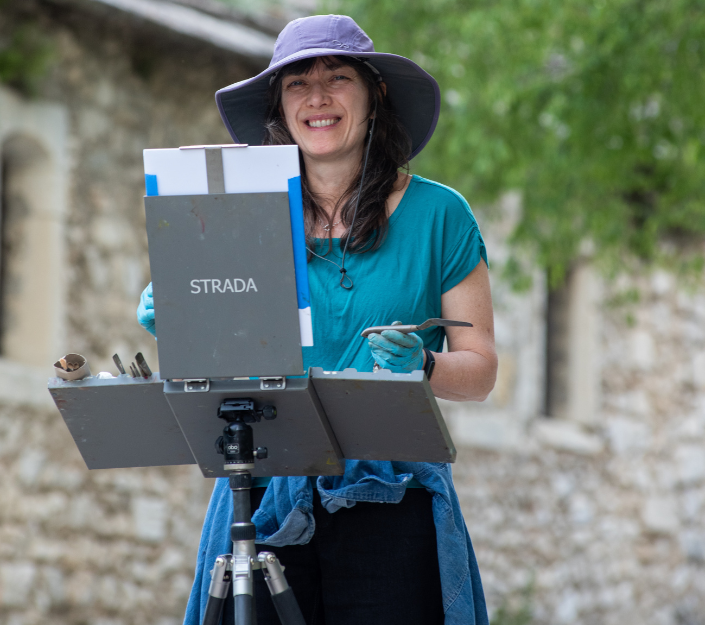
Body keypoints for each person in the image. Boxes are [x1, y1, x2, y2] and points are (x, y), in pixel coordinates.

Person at [137, 14, 497, 625]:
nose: (318, 97)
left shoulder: (442, 213)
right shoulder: (237, 211)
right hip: (264, 487)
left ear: (375, 93)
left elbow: (482, 370)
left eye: (337, 78)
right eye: (298, 83)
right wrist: (177, 308)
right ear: (280, 105)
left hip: (394, 501)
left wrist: (426, 365)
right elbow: (212, 339)